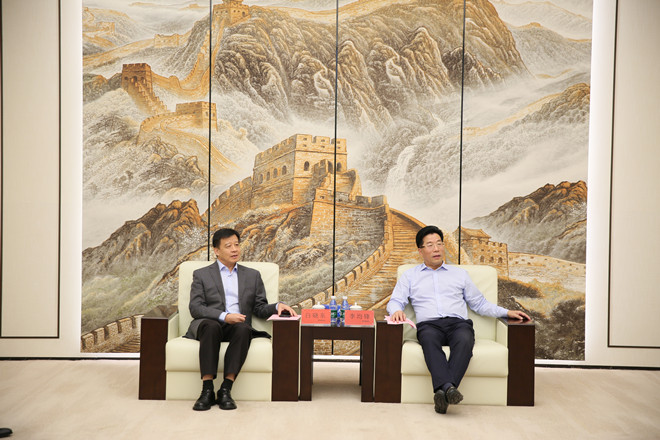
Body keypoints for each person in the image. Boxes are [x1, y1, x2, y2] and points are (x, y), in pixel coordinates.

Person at [387, 225, 529, 414]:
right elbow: (395, 301)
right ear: (420, 251)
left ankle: (443, 391)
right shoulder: (410, 276)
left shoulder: (459, 274)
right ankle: (449, 389)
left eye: (439, 243)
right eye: (430, 245)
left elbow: (479, 304)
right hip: (429, 325)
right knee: (428, 340)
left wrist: (506, 312)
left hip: (458, 324)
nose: (436, 249)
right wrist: (396, 310)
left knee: (465, 339)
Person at [185, 228, 297, 411]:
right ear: (216, 250)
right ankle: (207, 390)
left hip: (237, 326)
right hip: (210, 324)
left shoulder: (252, 275)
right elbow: (195, 308)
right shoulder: (202, 274)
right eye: (228, 246)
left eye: (236, 245)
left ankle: (225, 389)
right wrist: (224, 316)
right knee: (211, 326)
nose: (234, 249)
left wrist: (278, 306)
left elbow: (259, 308)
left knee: (244, 328)